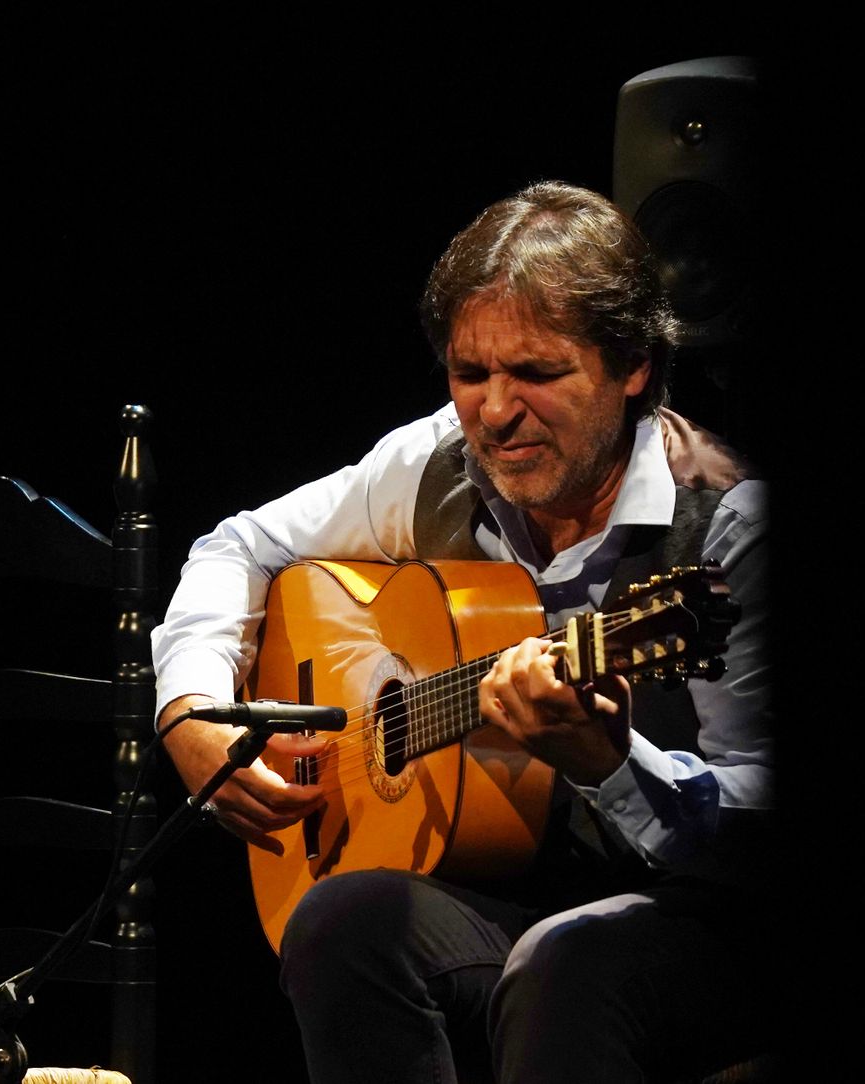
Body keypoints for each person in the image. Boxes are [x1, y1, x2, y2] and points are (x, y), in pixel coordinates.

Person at [151, 181, 772, 1082]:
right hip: (526, 891)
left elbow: (760, 829)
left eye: (538, 373)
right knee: (341, 923)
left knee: (567, 960)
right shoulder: (443, 460)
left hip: (705, 928)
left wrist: (612, 762)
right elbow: (238, 545)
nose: (493, 411)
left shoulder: (725, 527)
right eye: (469, 372)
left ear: (632, 364)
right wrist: (193, 709)